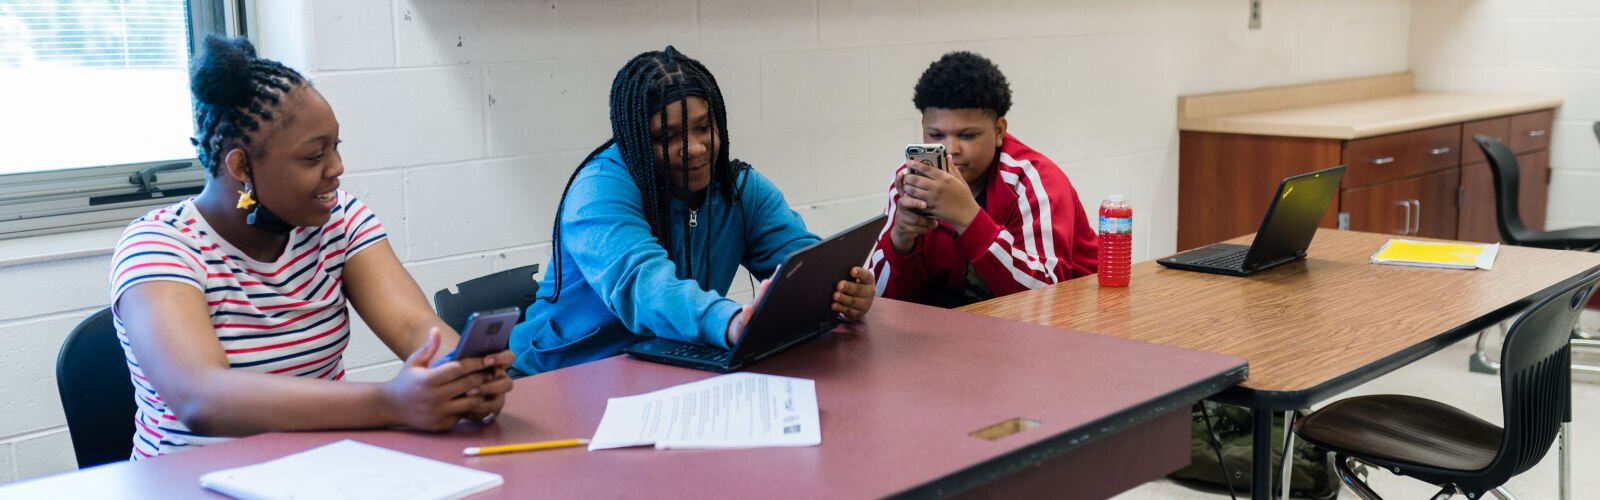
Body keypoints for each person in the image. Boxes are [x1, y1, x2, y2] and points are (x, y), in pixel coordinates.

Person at [109, 36, 513, 459]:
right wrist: (390, 403)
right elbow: (203, 397)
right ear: (241, 166)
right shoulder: (159, 247)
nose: (336, 169)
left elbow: (413, 326)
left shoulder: (339, 219)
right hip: (190, 482)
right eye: (313, 156)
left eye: (335, 148)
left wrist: (458, 376)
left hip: (317, 472)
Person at [508, 46, 876, 376]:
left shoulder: (738, 188)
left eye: (703, 127)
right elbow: (644, 285)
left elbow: (803, 265)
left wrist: (840, 292)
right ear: (634, 139)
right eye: (667, 137)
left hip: (669, 369)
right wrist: (731, 321)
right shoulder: (597, 190)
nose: (696, 148)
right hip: (567, 378)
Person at [870, 51, 1098, 308]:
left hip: (1076, 325)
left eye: (967, 136)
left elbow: (1045, 300)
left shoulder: (1036, 181)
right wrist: (900, 242)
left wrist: (967, 217)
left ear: (999, 131)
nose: (951, 149)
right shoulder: (913, 180)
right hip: (970, 326)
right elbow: (879, 304)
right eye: (935, 134)